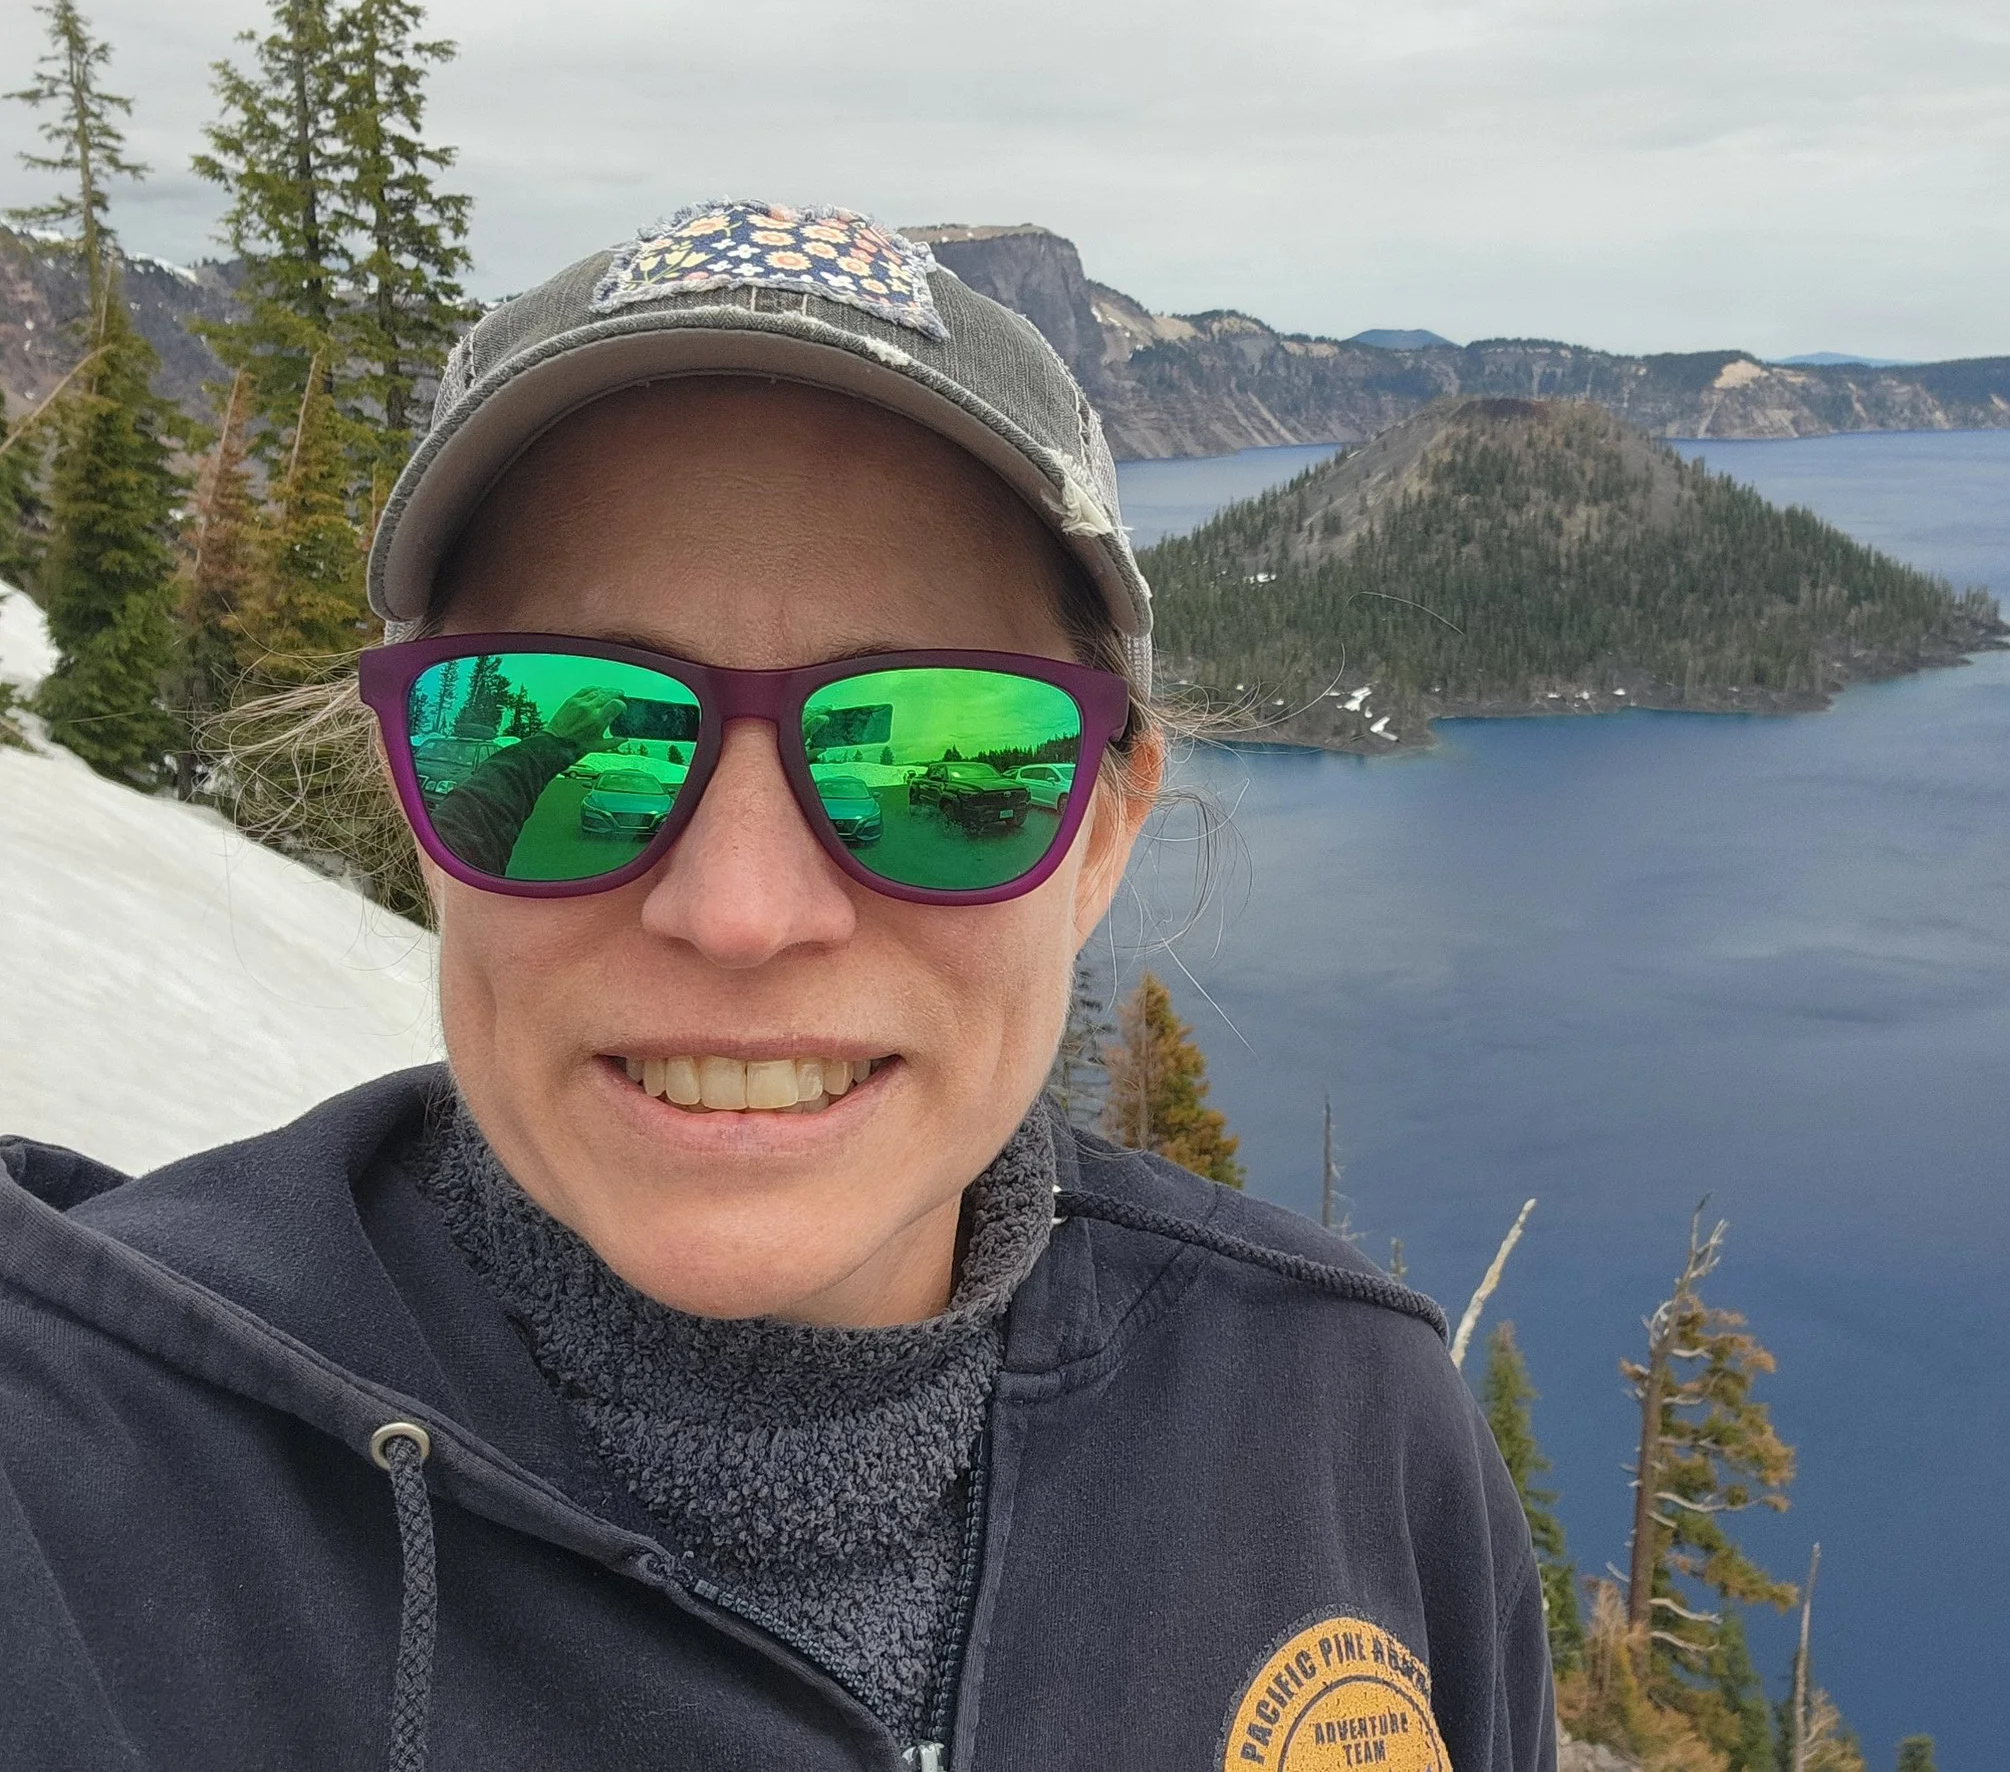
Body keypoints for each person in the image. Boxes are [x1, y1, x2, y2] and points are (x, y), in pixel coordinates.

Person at [0, 200, 1553, 1770]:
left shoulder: (1349, 1429)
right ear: (419, 805)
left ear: (1100, 836)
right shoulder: (80, 1465)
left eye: (947, 756)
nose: (741, 910)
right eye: (565, 734)